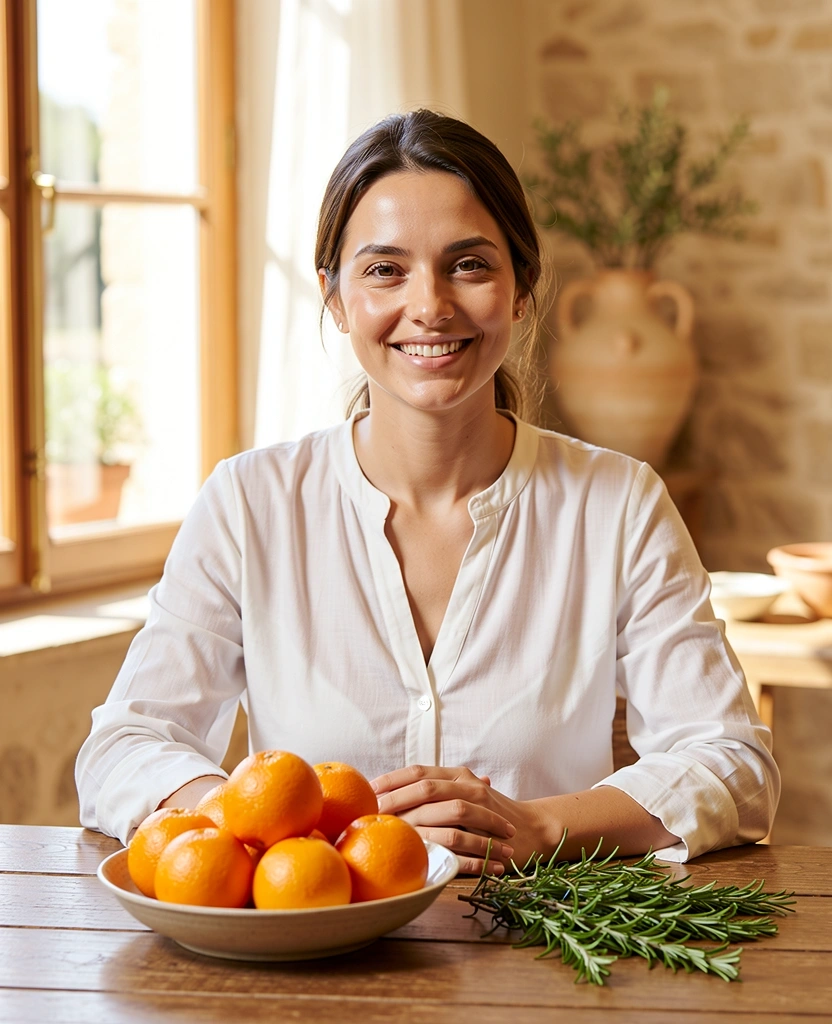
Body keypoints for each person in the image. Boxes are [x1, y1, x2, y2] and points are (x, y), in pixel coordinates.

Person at [76, 109, 779, 871]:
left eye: (469, 264)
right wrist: (271, 824)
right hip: (313, 959)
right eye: (385, 269)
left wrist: (538, 828)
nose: (431, 305)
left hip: (551, 957)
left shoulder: (619, 504)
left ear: (519, 290)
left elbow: (734, 764)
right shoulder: (249, 505)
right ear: (335, 298)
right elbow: (121, 748)